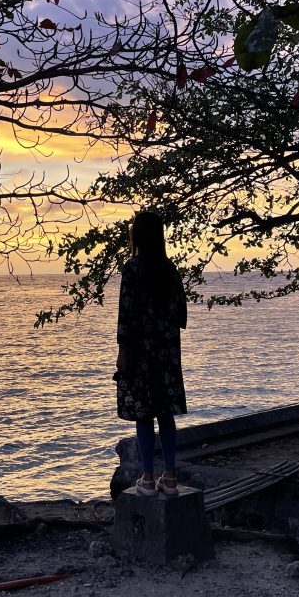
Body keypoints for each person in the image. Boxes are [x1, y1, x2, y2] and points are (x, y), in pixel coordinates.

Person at [114, 209, 187, 497]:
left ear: (138, 235)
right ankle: (170, 477)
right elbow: (181, 314)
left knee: (143, 414)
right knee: (165, 413)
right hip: (167, 352)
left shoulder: (133, 269)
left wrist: (123, 352)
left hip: (141, 352)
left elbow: (126, 314)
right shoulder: (170, 269)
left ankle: (147, 477)